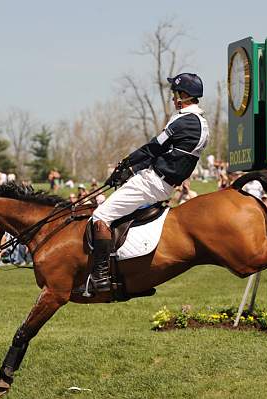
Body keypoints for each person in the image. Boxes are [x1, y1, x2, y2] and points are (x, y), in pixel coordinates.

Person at [85, 72, 209, 293]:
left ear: (183, 95)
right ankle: (133, 271)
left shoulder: (185, 121)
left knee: (101, 216)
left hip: (153, 182)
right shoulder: (200, 122)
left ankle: (101, 276)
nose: (172, 97)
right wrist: (131, 169)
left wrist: (126, 165)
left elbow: (154, 147)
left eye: (174, 93)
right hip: (163, 184)